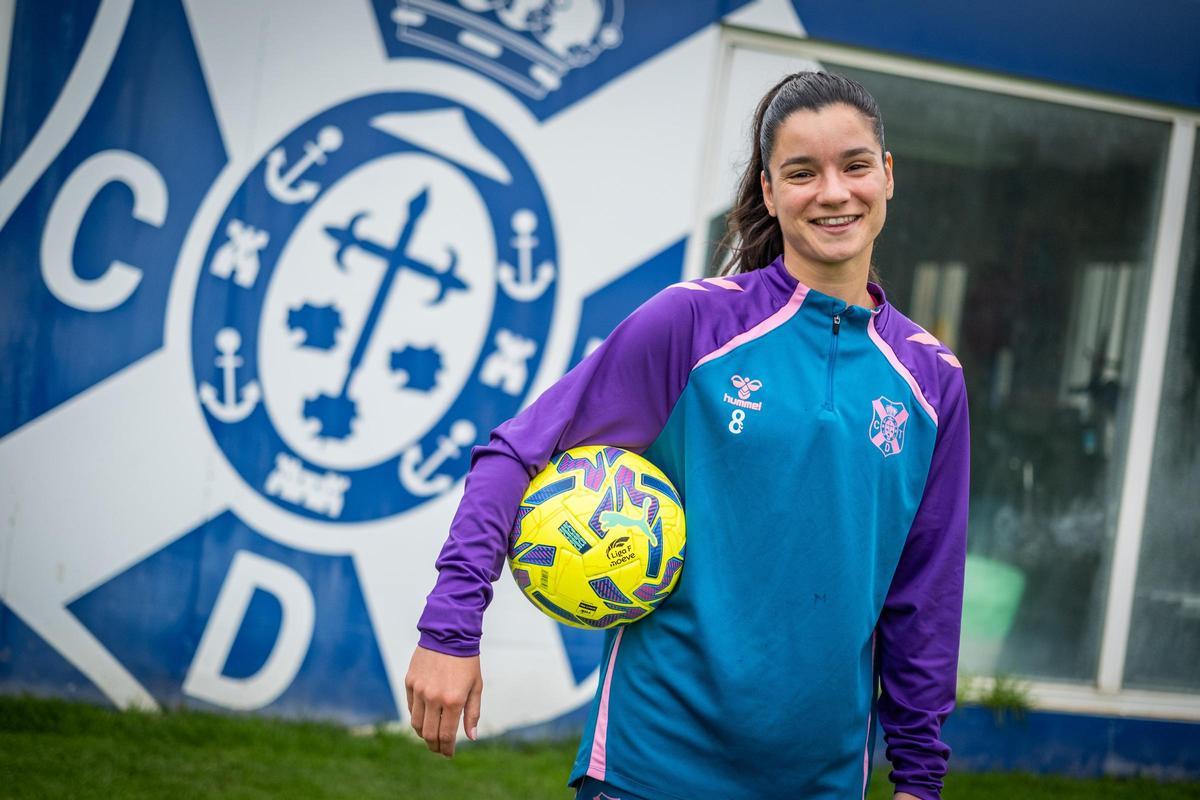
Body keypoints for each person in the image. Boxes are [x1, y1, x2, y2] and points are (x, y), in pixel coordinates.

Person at [405, 71, 970, 800]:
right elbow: (515, 452)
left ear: (887, 176)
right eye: (802, 173)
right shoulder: (694, 325)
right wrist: (451, 628)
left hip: (819, 784)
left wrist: (920, 780)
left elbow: (923, 596)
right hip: (649, 766)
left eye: (855, 165)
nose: (833, 193)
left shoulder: (932, 382)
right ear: (769, 191)